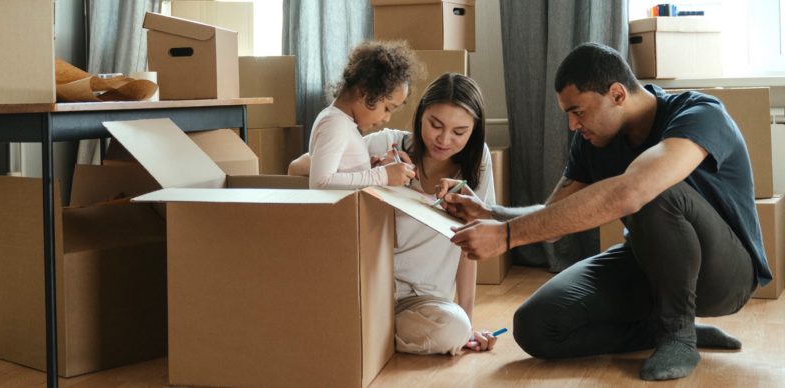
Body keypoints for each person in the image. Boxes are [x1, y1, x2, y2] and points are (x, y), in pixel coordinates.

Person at [438, 42, 771, 380]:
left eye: (578, 111)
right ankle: (660, 329)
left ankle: (678, 335)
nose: (571, 125)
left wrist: (507, 237)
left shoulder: (700, 113)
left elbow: (634, 191)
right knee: (536, 326)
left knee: (653, 189)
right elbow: (555, 215)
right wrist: (491, 214)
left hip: (725, 276)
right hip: (648, 264)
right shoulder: (592, 141)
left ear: (616, 94)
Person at [290, 72, 500, 355]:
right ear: (420, 114)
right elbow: (298, 167)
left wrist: (468, 322)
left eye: (459, 132)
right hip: (371, 288)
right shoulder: (385, 144)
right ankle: (364, 333)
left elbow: (470, 246)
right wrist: (374, 172)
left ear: (474, 131)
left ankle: (362, 335)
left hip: (424, 301)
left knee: (455, 329)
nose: (444, 139)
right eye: (435, 125)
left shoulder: (478, 164)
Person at [306, 40, 417, 189]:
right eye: (387, 109)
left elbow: (341, 175)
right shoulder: (334, 124)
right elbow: (320, 183)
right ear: (363, 92)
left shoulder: (344, 123)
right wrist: (382, 175)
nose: (387, 118)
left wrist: (367, 170)